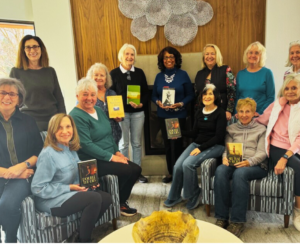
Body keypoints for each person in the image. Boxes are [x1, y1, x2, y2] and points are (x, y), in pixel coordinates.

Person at [31, 113, 112, 243]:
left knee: (106, 198)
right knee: (94, 198)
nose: (65, 131)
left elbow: (76, 175)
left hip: (69, 193)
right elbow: (37, 188)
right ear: (52, 131)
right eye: (59, 128)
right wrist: (69, 187)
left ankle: (78, 235)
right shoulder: (48, 154)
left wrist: (88, 183)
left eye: (68, 126)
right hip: (51, 201)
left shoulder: (71, 149)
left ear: (73, 129)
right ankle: (84, 241)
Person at [69, 78, 141, 217]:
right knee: (126, 170)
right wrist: (112, 157)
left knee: (136, 169)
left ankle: (120, 202)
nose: (89, 98)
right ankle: (113, 203)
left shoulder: (98, 110)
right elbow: (86, 145)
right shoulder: (75, 116)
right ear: (77, 96)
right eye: (85, 94)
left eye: (92, 94)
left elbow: (109, 134)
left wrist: (117, 152)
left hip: (108, 155)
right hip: (90, 160)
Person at [164, 84, 226, 210]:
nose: (207, 96)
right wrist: (178, 132)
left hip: (215, 145)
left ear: (216, 96)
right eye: (205, 94)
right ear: (201, 96)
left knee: (188, 164)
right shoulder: (199, 111)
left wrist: (201, 148)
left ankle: (194, 194)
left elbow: (219, 137)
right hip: (198, 144)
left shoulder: (220, 113)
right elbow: (194, 133)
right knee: (177, 166)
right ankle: (175, 196)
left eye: (210, 94)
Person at [214, 98, 268, 237]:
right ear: (237, 113)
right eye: (241, 111)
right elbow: (227, 148)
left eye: (248, 111)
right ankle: (222, 218)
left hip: (255, 165)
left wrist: (249, 162)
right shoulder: (231, 129)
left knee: (240, 174)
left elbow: (262, 153)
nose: (244, 114)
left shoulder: (261, 129)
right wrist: (225, 158)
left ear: (254, 113)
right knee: (220, 170)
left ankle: (238, 221)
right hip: (234, 161)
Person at [0, 78, 43, 243]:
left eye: (12, 94)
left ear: (19, 99)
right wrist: (11, 173)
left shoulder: (28, 121)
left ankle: (10, 240)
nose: (7, 97)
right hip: (6, 174)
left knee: (7, 205)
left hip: (25, 173)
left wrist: (22, 166)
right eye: (3, 92)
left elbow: (39, 151)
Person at [256, 73, 300, 232]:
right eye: (287, 88)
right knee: (298, 167)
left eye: (294, 87)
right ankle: (297, 211)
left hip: (293, 148)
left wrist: (286, 156)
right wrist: (245, 119)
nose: (290, 91)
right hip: (276, 146)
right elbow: (262, 119)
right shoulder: (277, 105)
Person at [151, 46, 194, 183]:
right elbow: (153, 95)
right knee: (168, 146)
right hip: (163, 115)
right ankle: (171, 173)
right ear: (162, 60)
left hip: (177, 116)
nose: (168, 60)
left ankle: (178, 173)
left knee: (177, 145)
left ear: (175, 59)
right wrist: (158, 102)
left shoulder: (183, 74)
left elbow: (190, 95)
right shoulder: (159, 76)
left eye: (171, 57)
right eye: (165, 57)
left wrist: (180, 104)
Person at [9, 35, 66, 132]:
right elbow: (11, 100)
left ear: (41, 49)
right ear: (23, 51)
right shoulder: (16, 72)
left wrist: (63, 119)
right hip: (29, 122)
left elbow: (59, 98)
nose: (32, 50)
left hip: (53, 120)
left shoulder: (50, 71)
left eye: (35, 46)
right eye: (28, 47)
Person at [110, 43, 148, 183]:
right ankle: (125, 173)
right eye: (127, 54)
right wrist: (116, 113)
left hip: (138, 113)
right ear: (121, 56)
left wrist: (141, 103)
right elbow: (111, 95)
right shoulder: (113, 73)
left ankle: (137, 172)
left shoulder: (139, 73)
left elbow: (145, 93)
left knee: (137, 144)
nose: (130, 57)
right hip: (122, 115)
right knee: (123, 144)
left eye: (132, 54)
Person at [195, 44, 236, 121]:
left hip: (222, 112)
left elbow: (232, 91)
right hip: (203, 113)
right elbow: (197, 95)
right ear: (204, 58)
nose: (209, 56)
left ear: (217, 56)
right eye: (207, 54)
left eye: (212, 53)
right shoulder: (199, 73)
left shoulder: (226, 69)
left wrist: (229, 110)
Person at [86, 63, 122, 145]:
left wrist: (119, 118)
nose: (99, 78)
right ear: (91, 77)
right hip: (95, 135)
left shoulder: (112, 93)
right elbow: (80, 112)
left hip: (114, 135)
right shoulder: (87, 94)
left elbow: (119, 112)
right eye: (96, 75)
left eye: (102, 75)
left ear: (106, 78)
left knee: (114, 156)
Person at [236, 41, 275, 116]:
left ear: (261, 56)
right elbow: (237, 96)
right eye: (250, 52)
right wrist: (237, 112)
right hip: (242, 116)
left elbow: (270, 97)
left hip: (259, 116)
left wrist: (259, 112)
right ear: (246, 55)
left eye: (256, 53)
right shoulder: (240, 74)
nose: (253, 55)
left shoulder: (267, 73)